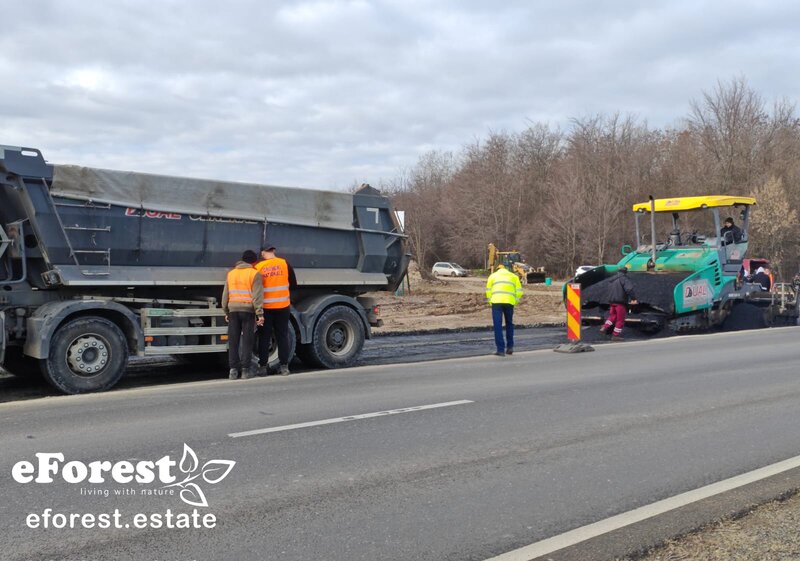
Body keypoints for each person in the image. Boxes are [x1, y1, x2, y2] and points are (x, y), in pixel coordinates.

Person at [222, 250, 264, 380]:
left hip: (233, 310)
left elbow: (225, 295)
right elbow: (257, 296)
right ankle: (245, 371)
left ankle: (233, 371)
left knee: (233, 341)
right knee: (247, 341)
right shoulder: (255, 273)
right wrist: (260, 314)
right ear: (253, 261)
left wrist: (226, 311)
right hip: (248, 311)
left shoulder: (231, 273)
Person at [256, 245, 297, 375]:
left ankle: (263, 367)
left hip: (266, 308)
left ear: (263, 253)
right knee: (282, 336)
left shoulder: (259, 267)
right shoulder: (284, 263)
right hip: (283, 306)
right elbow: (293, 284)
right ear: (273, 251)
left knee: (264, 337)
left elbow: (255, 288)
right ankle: (284, 366)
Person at [485, 264, 523, 356]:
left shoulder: (492, 276)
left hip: (496, 302)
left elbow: (488, 291)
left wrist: (491, 301)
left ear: (498, 269)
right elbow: (519, 291)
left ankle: (500, 350)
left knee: (498, 325)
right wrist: (515, 301)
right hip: (509, 302)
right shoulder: (514, 276)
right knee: (509, 324)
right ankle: (510, 347)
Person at [599, 267, 638, 340]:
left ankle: (605, 327)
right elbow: (629, 289)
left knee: (612, 316)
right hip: (620, 302)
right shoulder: (624, 279)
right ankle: (615, 335)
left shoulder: (612, 279)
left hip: (612, 302)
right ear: (625, 272)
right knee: (620, 320)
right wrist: (633, 298)